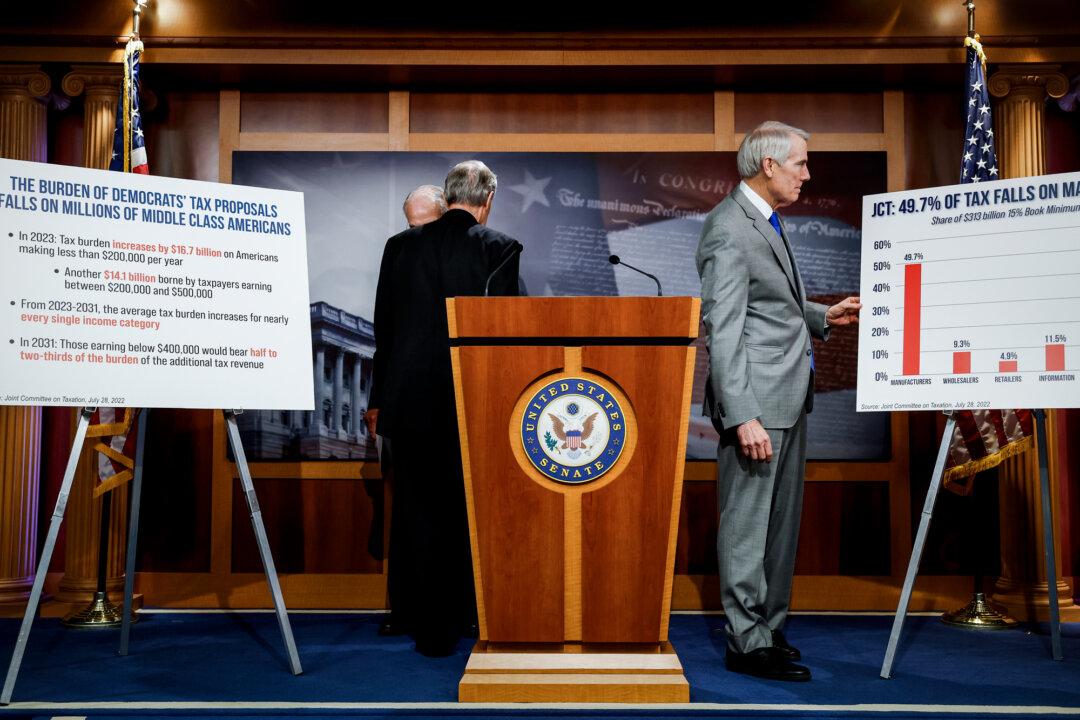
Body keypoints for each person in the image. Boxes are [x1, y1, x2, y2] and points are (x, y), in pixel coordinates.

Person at [696, 121, 860, 682]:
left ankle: (767, 630)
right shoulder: (728, 228)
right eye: (801, 163)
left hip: (789, 397)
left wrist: (822, 315)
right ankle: (745, 640)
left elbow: (771, 305)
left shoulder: (763, 219)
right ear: (768, 165)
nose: (807, 175)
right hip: (758, 407)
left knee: (779, 528)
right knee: (747, 525)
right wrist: (743, 415)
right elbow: (723, 326)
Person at [368, 161, 521, 656]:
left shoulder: (399, 247)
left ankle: (420, 621)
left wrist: (379, 398)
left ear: (449, 194)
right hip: (471, 401)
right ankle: (467, 616)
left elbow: (383, 331)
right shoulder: (500, 248)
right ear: (488, 199)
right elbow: (505, 336)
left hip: (408, 401)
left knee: (417, 511)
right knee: (468, 509)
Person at [365, 183, 448, 638]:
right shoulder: (397, 250)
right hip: (409, 401)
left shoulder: (470, 251)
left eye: (426, 225)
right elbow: (385, 327)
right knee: (410, 511)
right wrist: (378, 398)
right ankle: (407, 608)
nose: (417, 233)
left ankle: (458, 607)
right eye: (410, 224)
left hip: (457, 402)